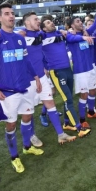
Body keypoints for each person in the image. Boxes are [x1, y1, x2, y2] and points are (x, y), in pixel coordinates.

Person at [0, 3, 44, 174]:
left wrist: (36, 77)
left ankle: (27, 146)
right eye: (7, 13)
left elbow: (26, 60)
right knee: (10, 124)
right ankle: (14, 157)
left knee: (28, 116)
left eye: (12, 13)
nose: (11, 16)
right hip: (7, 91)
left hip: (25, 86)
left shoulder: (19, 38)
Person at [19, 12, 76, 144]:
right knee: (29, 111)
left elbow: (51, 34)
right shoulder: (21, 36)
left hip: (42, 76)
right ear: (27, 22)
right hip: (28, 79)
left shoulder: (40, 34)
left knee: (50, 103)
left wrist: (62, 31)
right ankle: (31, 136)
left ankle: (61, 134)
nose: (38, 21)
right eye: (35, 19)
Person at [40, 15, 91, 138]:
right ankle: (79, 128)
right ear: (43, 28)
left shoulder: (59, 33)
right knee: (68, 99)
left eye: (51, 21)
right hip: (57, 72)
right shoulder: (42, 36)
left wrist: (81, 35)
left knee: (68, 98)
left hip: (68, 69)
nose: (51, 23)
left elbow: (73, 37)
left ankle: (67, 123)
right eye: (48, 23)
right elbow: (35, 51)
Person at [65, 1, 96, 129]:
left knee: (93, 90)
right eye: (77, 21)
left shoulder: (86, 32)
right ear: (72, 25)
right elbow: (72, 39)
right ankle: (82, 119)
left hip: (90, 68)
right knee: (84, 94)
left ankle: (91, 112)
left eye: (80, 21)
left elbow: (95, 23)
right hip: (80, 71)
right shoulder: (71, 36)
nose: (80, 22)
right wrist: (82, 38)